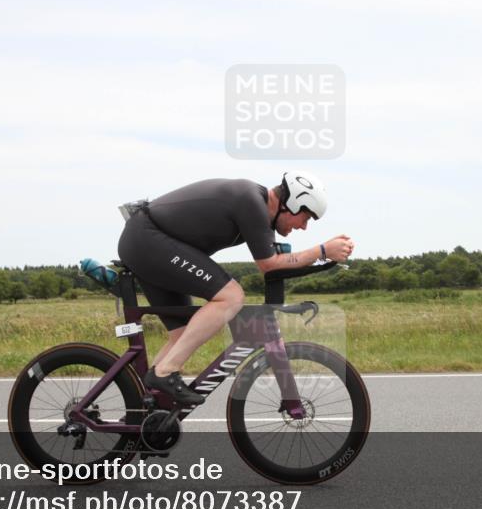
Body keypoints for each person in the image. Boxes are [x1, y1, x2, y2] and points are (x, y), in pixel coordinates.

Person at [117, 171, 354, 406]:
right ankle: (165, 373)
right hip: (147, 239)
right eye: (306, 217)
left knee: (182, 334)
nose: (303, 227)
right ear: (292, 204)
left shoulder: (259, 212)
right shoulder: (250, 201)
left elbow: (274, 268)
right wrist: (321, 251)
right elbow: (269, 265)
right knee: (231, 296)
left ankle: (144, 411)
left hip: (147, 242)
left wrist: (324, 260)